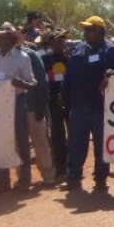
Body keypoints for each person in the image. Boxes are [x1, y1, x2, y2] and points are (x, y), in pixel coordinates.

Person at [61, 15, 114, 192]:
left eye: (90, 29)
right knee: (76, 143)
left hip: (101, 106)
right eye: (85, 30)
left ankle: (101, 179)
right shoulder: (79, 49)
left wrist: (113, 74)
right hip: (79, 104)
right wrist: (64, 94)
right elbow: (70, 75)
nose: (86, 33)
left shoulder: (110, 50)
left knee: (101, 143)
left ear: (100, 31)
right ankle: (73, 177)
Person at [0, 23, 36, 193]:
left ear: (12, 40)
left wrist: (21, 83)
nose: (3, 41)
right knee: (0, 142)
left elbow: (33, 82)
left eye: (6, 38)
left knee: (21, 142)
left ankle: (24, 179)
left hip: (17, 101)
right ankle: (3, 181)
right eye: (0, 38)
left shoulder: (22, 57)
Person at [20, 37, 55, 186]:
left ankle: (48, 175)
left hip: (33, 107)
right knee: (18, 145)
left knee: (40, 142)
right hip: (13, 112)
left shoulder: (31, 55)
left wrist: (41, 106)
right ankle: (22, 178)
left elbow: (41, 82)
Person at [41, 30, 69, 180]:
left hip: (70, 101)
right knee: (57, 136)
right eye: (57, 41)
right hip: (52, 102)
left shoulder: (70, 58)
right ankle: (60, 167)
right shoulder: (44, 59)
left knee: (74, 135)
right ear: (51, 43)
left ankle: (72, 165)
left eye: (62, 41)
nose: (61, 44)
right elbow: (42, 81)